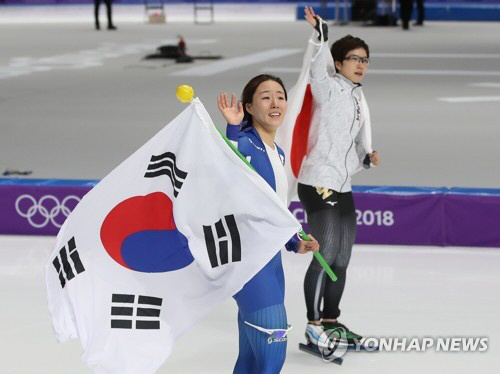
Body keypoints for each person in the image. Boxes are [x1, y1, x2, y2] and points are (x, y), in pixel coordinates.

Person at [217, 74, 320, 373]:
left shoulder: (278, 152)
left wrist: (293, 240)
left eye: (280, 96)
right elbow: (227, 164)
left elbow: (272, 208)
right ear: (248, 106)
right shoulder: (246, 143)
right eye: (265, 97)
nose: (275, 102)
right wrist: (233, 127)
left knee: (251, 357)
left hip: (270, 260)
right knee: (273, 347)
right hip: (249, 260)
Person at [299, 7, 380, 348]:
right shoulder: (328, 87)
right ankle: (312, 324)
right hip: (318, 180)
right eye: (353, 58)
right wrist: (321, 34)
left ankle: (332, 321)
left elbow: (355, 141)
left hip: (343, 184)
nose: (360, 65)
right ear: (339, 62)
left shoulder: (358, 97)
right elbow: (317, 67)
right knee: (326, 253)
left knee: (342, 257)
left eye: (365, 59)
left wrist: (366, 156)